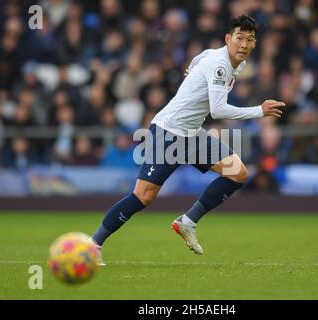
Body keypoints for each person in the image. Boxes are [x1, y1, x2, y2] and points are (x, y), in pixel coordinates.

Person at [90, 15, 285, 265]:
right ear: (228, 39)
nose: (244, 44)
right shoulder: (221, 65)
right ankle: (93, 244)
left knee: (238, 173)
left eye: (250, 39)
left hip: (192, 134)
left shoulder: (234, 63)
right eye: (239, 38)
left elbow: (201, 57)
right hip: (169, 130)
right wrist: (259, 110)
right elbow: (218, 110)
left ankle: (187, 221)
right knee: (143, 196)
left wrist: (192, 70)